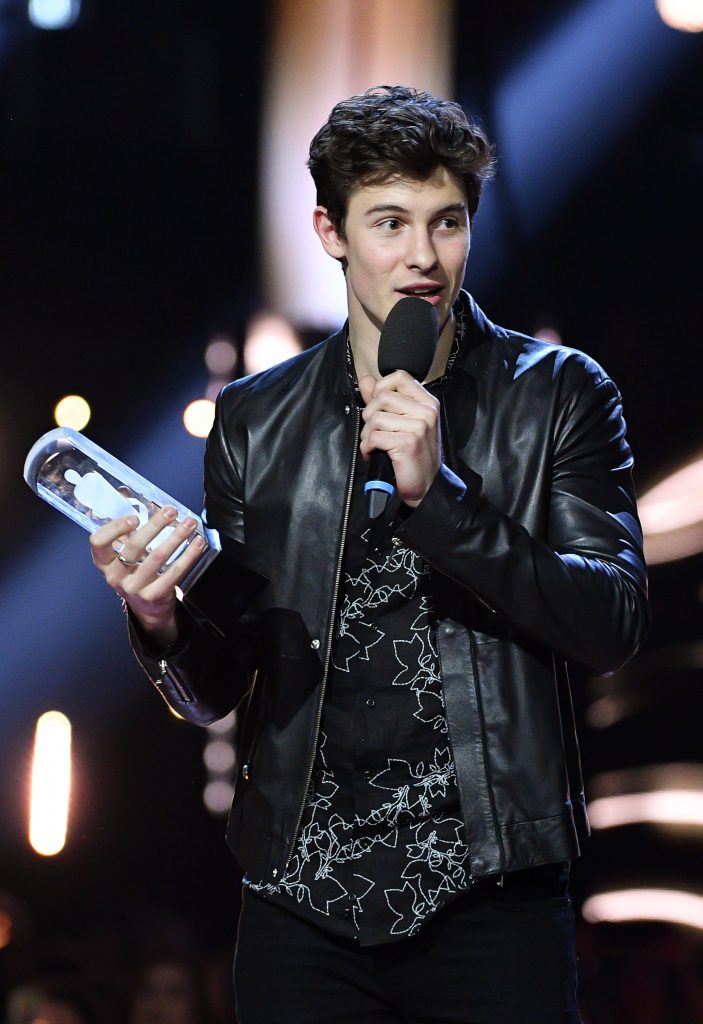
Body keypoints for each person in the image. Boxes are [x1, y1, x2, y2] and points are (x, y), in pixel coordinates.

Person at [89, 85, 649, 1023]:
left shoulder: (554, 395)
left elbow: (611, 621)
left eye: (447, 223)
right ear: (330, 230)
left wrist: (445, 500)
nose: (422, 257)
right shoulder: (254, 419)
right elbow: (221, 687)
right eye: (389, 222)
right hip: (302, 900)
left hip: (491, 891)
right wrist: (160, 617)